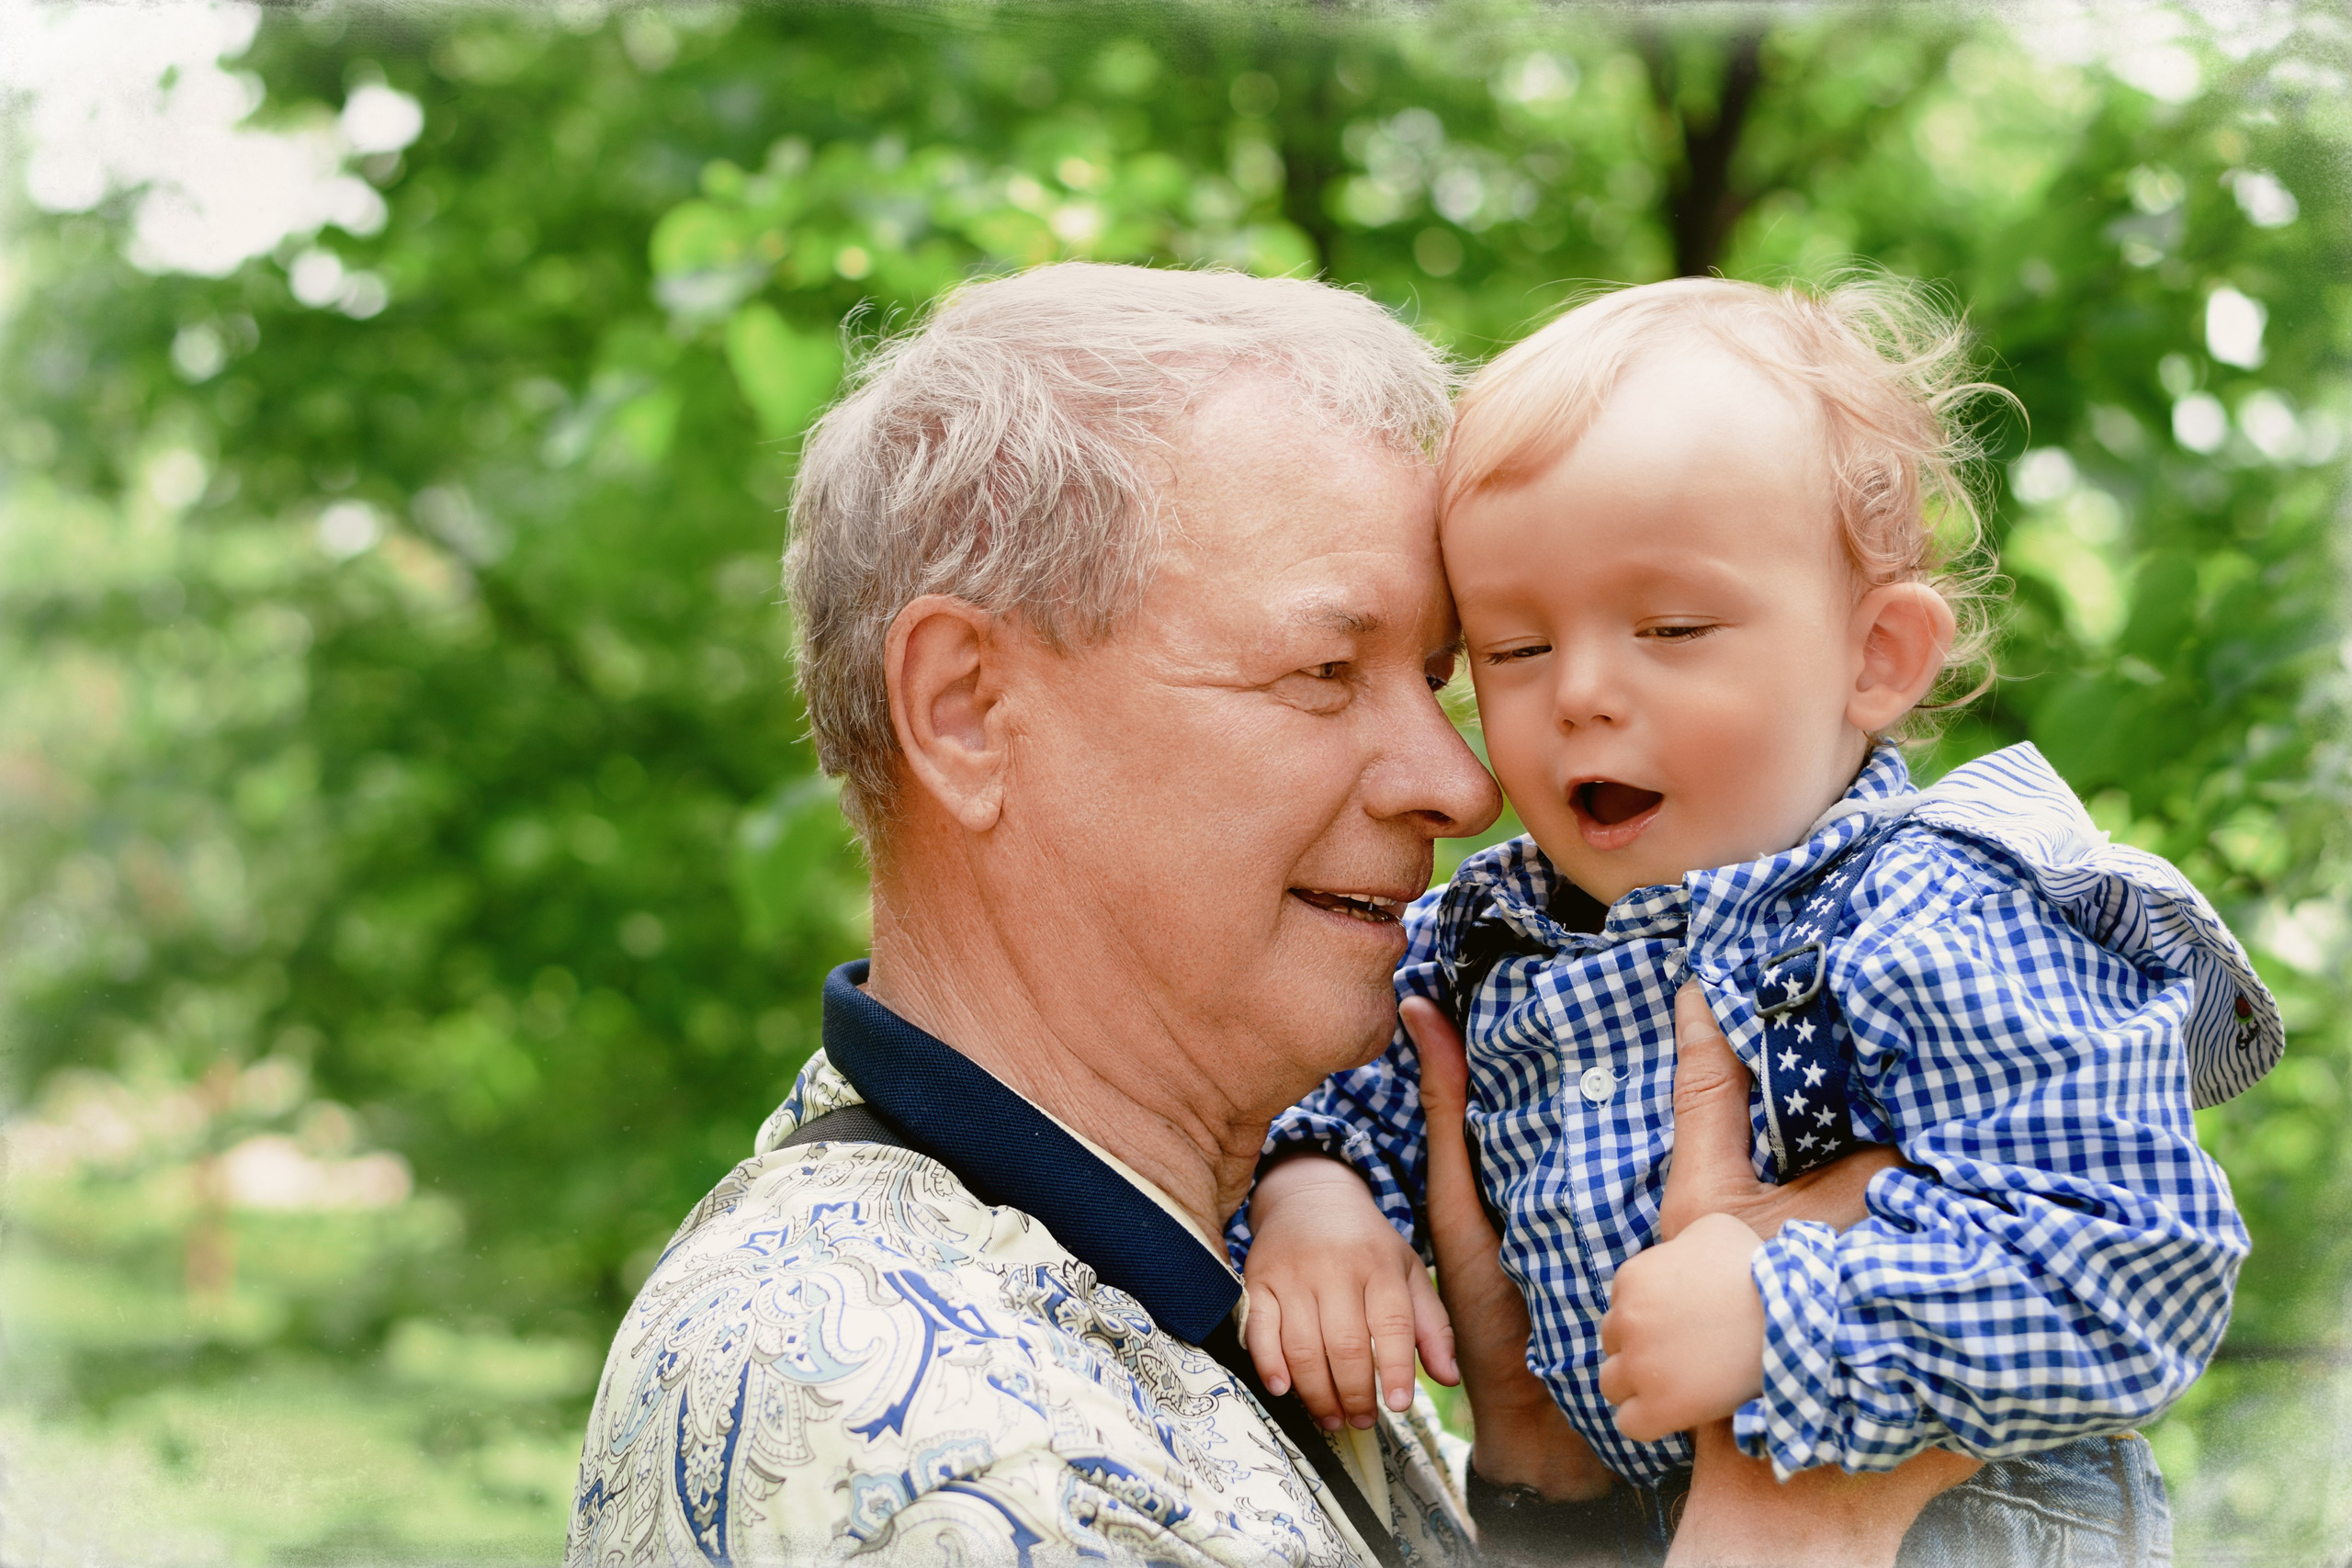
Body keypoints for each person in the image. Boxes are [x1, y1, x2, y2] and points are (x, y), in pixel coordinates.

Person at [565, 263, 1935, 1566]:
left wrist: (1545, 1476)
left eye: (1441, 678)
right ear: (968, 710)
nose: (1463, 786)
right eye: (1325, 671)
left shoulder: (1208, 1265)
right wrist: (1792, 1522)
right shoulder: (921, 1430)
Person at [1239, 275, 2283, 1565]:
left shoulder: (1937, 913)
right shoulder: (1488, 936)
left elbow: (2133, 1265)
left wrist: (1785, 1320)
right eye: (1515, 650)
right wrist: (1318, 1198)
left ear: (1877, 658)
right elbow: (1339, 1089)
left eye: (1673, 627)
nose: (1580, 693)